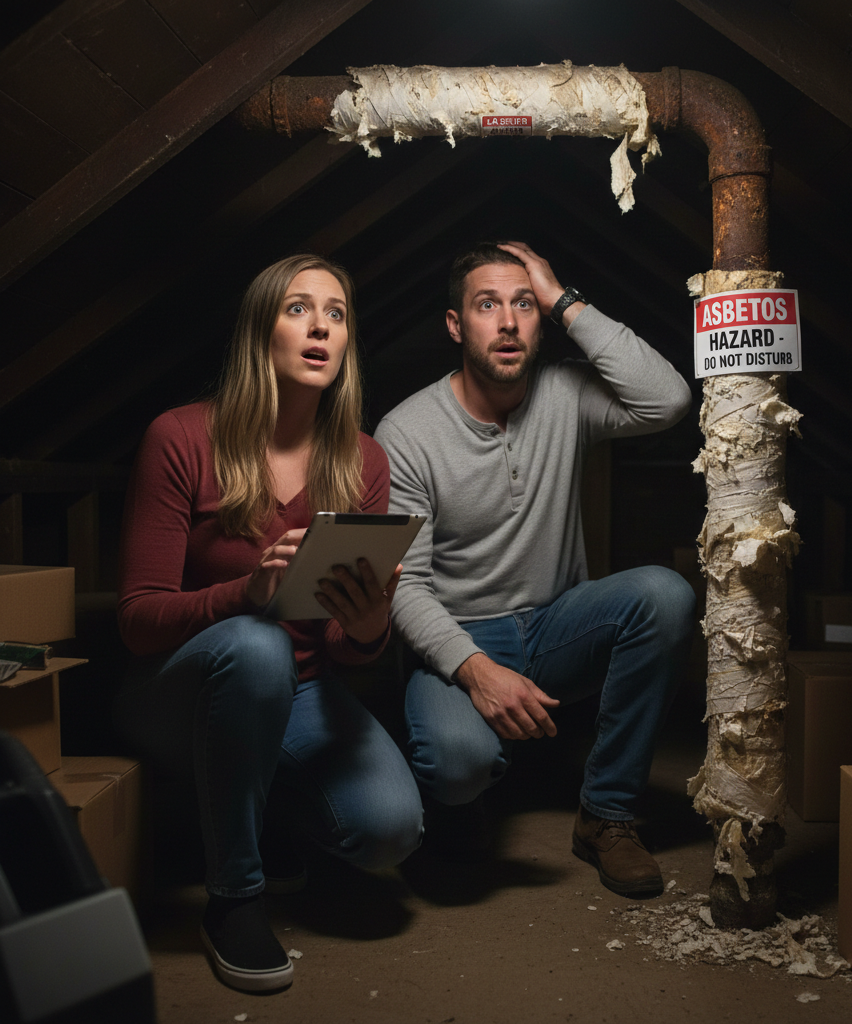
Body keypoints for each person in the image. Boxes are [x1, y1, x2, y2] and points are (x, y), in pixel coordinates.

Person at [114, 254, 422, 993]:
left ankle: (257, 815)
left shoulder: (364, 459)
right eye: (297, 308)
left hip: (304, 694)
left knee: (390, 830)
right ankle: (234, 900)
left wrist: (374, 620)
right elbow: (136, 621)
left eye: (336, 313)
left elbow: (347, 651)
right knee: (255, 647)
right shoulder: (181, 437)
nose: (320, 325)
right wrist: (247, 592)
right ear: (261, 332)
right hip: (179, 687)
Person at [373, 241, 696, 898]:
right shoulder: (405, 432)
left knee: (665, 595)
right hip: (462, 637)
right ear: (456, 325)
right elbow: (405, 585)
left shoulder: (565, 394)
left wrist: (563, 297)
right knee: (459, 763)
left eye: (524, 304)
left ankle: (606, 813)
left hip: (556, 624)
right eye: (487, 305)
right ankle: (458, 808)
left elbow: (667, 400)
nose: (509, 322)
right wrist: (476, 671)